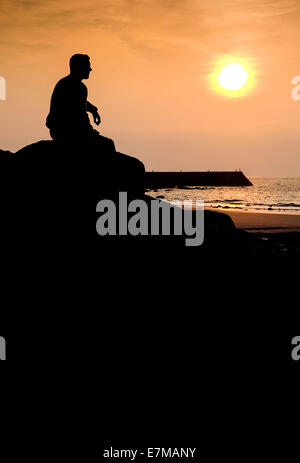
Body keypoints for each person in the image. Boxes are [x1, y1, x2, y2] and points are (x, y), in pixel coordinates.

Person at [46, 54, 145, 193]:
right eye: (87, 66)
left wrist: (93, 109)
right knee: (108, 145)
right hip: (68, 133)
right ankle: (106, 186)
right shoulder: (78, 87)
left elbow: (77, 103)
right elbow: (77, 117)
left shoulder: (66, 83)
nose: (90, 69)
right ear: (78, 67)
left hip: (59, 130)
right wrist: (91, 133)